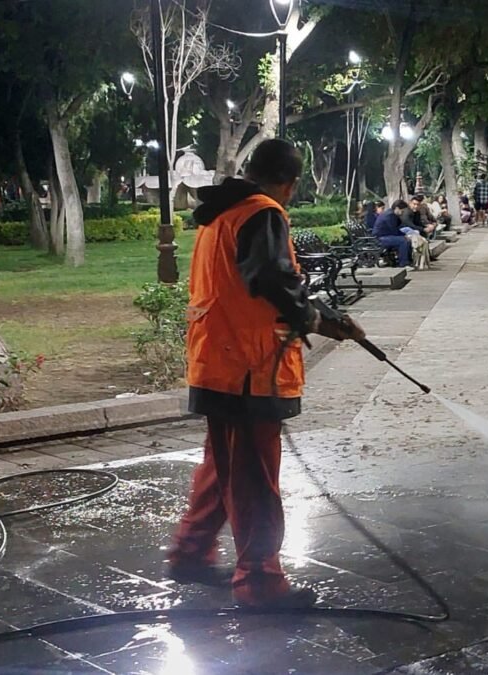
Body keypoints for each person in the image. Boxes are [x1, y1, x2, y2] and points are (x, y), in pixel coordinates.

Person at [168, 139, 366, 609]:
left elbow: (253, 283)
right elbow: (271, 279)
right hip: (248, 368)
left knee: (224, 469)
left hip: (218, 362)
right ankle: (260, 583)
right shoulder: (262, 212)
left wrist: (319, 314)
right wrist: (318, 320)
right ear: (289, 183)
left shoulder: (222, 214)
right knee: (255, 480)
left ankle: (190, 554)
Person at [374, 199, 415, 269]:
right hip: (380, 238)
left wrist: (404, 235)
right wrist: (404, 236)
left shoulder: (392, 214)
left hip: (385, 236)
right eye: (402, 211)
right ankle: (403, 264)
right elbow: (394, 231)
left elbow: (396, 229)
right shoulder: (390, 215)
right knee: (403, 241)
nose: (402, 213)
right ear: (397, 208)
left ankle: (408, 261)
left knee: (406, 239)